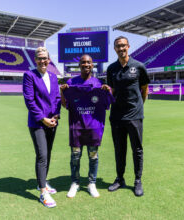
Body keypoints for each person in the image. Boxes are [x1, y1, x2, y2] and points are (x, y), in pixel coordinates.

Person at [60, 54, 113, 198]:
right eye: (83, 62)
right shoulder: (71, 83)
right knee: (75, 156)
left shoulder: (99, 84)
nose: (86, 64)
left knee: (93, 156)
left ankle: (92, 183)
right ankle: (75, 183)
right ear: (79, 65)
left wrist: (108, 91)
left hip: (94, 128)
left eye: (89, 62)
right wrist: (62, 92)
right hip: (76, 126)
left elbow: (108, 103)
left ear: (93, 65)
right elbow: (66, 105)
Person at [107, 36, 150, 197]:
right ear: (115, 49)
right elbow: (111, 90)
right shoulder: (111, 69)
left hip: (134, 116)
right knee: (119, 149)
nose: (121, 48)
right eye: (118, 46)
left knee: (137, 149)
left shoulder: (139, 66)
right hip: (116, 116)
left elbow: (144, 88)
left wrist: (139, 106)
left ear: (128, 47)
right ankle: (120, 179)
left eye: (123, 45)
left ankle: (137, 180)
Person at [23, 47, 61, 208]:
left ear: (49, 59)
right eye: (39, 58)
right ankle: (43, 193)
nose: (42, 61)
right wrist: (43, 119)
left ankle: (42, 183)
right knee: (42, 155)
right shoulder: (29, 75)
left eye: (45, 58)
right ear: (35, 60)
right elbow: (29, 100)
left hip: (52, 122)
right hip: (38, 123)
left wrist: (56, 115)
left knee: (48, 154)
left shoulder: (53, 76)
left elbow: (57, 97)